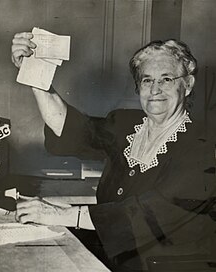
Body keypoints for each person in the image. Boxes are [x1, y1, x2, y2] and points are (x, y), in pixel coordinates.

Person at [11, 33, 216, 271]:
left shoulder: (204, 147)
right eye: (147, 80)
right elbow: (70, 129)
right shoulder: (126, 125)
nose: (155, 89)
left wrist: (60, 214)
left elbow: (148, 214)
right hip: (114, 260)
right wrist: (35, 73)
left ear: (187, 85)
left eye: (166, 79)